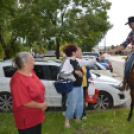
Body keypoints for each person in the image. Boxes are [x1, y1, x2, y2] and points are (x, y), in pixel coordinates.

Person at [61, 44, 104, 128]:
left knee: (80, 104)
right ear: (72, 52)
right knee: (72, 105)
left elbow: (87, 62)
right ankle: (67, 123)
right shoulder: (67, 61)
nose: (78, 52)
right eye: (76, 50)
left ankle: (78, 119)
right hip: (72, 87)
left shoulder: (76, 60)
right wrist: (75, 72)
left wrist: (98, 58)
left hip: (79, 86)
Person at [10, 52, 48, 134]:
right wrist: (42, 105)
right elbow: (24, 102)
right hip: (27, 120)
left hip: (36, 116)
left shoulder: (32, 73)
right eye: (32, 61)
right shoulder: (18, 80)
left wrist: (43, 102)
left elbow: (39, 89)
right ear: (25, 64)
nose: (34, 62)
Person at [108, 16, 134, 90]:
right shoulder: (131, 34)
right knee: (128, 63)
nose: (129, 26)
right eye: (129, 25)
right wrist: (113, 51)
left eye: (130, 24)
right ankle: (125, 82)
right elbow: (124, 45)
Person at [76, 48, 93, 120]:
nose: (80, 53)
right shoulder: (75, 62)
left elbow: (87, 72)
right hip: (77, 85)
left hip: (85, 85)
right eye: (79, 52)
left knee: (82, 101)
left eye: (81, 52)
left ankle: (82, 113)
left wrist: (90, 77)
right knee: (78, 101)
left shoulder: (84, 62)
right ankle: (77, 115)